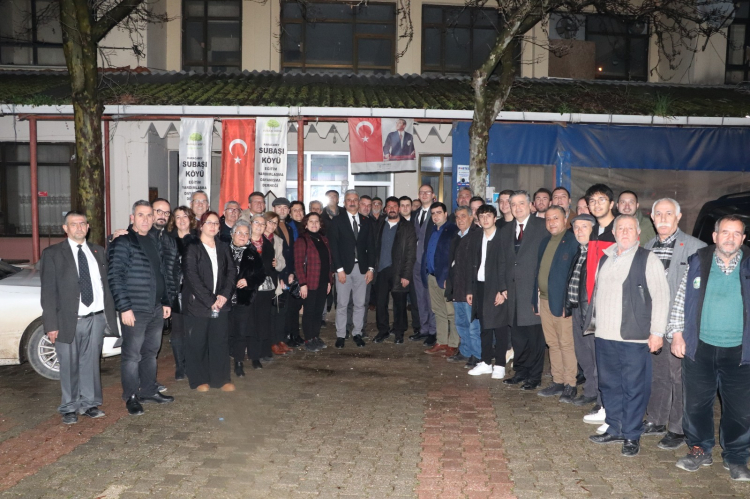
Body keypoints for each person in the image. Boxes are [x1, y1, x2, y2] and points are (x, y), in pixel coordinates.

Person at [668, 215, 750, 480]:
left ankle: (736, 457)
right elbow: (681, 300)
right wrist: (677, 334)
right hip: (700, 347)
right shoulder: (698, 261)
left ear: (743, 238)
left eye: (736, 233)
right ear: (715, 236)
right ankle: (699, 449)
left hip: (740, 352)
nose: (730, 238)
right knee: (695, 405)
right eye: (725, 232)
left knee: (740, 409)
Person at [585, 214, 669, 457]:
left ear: (638, 233)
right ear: (613, 232)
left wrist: (657, 332)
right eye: (620, 228)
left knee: (634, 389)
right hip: (604, 335)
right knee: (609, 385)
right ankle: (615, 428)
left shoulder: (647, 259)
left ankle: (631, 435)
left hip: (634, 338)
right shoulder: (605, 257)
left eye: (629, 228)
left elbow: (661, 297)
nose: (624, 232)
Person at [640, 198, 706, 450]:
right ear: (652, 218)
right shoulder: (647, 247)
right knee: (658, 375)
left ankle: (678, 429)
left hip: (681, 328)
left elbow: (697, 295)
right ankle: (656, 419)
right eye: (658, 214)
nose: (663, 218)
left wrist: (684, 331)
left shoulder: (696, 247)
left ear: (678, 217)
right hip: (653, 326)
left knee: (679, 378)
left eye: (669, 213)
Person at [40, 211, 117, 424]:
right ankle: (69, 407)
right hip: (68, 320)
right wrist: (51, 325)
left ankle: (89, 404)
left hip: (96, 318)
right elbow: (48, 292)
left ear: (88, 226)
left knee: (91, 364)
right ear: (65, 228)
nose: (79, 227)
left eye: (82, 223)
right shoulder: (53, 254)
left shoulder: (98, 251)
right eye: (73, 224)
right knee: (68, 365)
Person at [107, 200, 177, 415]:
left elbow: (161, 273)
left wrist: (165, 301)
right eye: (141, 215)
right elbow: (115, 276)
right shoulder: (123, 241)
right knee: (132, 356)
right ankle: (131, 396)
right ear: (132, 218)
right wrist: (124, 308)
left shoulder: (154, 241)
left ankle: (148, 390)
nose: (145, 219)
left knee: (150, 352)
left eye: (149, 215)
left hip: (155, 308)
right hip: (135, 310)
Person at [498, 191, 549, 391]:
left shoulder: (542, 226)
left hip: (533, 291)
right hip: (512, 291)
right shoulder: (506, 230)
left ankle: (534, 376)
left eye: (521, 203)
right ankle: (520, 372)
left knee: (534, 336)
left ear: (530, 206)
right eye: (513, 204)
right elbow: (503, 260)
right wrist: (503, 286)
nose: (517, 208)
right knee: (517, 336)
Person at [182, 211, 235, 392]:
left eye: (216, 223)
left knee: (219, 341)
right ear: (201, 225)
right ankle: (199, 379)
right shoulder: (192, 248)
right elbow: (192, 276)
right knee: (198, 342)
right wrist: (210, 300)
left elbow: (231, 272)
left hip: (221, 304)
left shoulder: (223, 247)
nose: (213, 226)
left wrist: (224, 295)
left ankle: (221, 379)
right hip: (198, 304)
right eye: (209, 223)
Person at [533, 206, 580, 401]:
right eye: (548, 219)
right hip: (544, 300)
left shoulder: (572, 241)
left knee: (566, 343)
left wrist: (567, 303)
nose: (551, 222)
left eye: (555, 218)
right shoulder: (545, 242)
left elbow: (573, 276)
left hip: (561, 303)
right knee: (552, 343)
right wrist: (535, 299)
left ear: (565, 218)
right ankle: (558, 381)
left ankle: (570, 384)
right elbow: (538, 272)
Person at [327, 190, 376, 348]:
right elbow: (334, 247)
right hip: (343, 270)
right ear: (344, 202)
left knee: (360, 304)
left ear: (359, 202)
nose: (352, 202)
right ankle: (341, 334)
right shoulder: (337, 221)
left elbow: (371, 246)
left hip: (362, 269)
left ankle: (357, 333)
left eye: (355, 199)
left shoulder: (366, 221)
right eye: (349, 200)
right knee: (342, 304)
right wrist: (339, 269)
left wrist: (371, 269)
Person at [466, 204, 508, 378]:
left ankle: (500, 364)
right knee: (484, 326)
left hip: (497, 286)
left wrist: (503, 290)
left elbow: (506, 265)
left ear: (495, 218)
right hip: (480, 285)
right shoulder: (477, 236)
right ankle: (485, 361)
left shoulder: (503, 237)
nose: (485, 219)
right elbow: (471, 263)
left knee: (500, 326)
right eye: (481, 216)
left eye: (488, 216)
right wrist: (470, 289)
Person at [564, 214, 600, 410]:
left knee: (594, 353)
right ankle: (590, 390)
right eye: (576, 227)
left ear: (593, 229)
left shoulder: (598, 253)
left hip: (591, 311)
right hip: (577, 308)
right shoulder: (579, 252)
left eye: (584, 227)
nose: (579, 231)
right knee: (582, 353)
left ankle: (599, 395)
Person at [233, 215, 277, 369]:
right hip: (245, 290)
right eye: (256, 222)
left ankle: (256, 355)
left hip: (264, 289)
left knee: (261, 322)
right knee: (248, 323)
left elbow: (269, 268)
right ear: (251, 224)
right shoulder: (244, 241)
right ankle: (241, 355)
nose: (259, 226)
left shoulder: (268, 245)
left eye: (263, 224)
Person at [373, 197, 416, 344]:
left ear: (398, 208)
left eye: (394, 206)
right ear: (385, 209)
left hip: (398, 271)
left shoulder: (407, 227)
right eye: (389, 206)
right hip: (381, 271)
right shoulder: (379, 224)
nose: (392, 209)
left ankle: (399, 332)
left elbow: (411, 252)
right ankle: (383, 330)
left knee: (399, 304)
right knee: (380, 304)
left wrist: (406, 275)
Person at [422, 202, 460, 356]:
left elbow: (454, 257)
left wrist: (449, 277)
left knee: (451, 312)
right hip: (432, 276)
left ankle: (453, 343)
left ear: (445, 214)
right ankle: (442, 341)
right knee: (438, 311)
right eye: (433, 213)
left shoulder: (452, 230)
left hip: (445, 278)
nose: (435, 216)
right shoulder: (432, 230)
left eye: (439, 212)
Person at [446, 206, 481, 367]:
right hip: (457, 288)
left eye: (463, 216)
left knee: (473, 325)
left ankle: (477, 354)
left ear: (471, 217)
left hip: (470, 289)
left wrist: (471, 289)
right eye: (457, 217)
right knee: (460, 323)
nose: (460, 220)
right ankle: (465, 351)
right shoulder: (457, 237)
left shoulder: (476, 236)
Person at [167, 206, 198, 380]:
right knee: (178, 330)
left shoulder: (198, 239)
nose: (181, 220)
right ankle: (180, 366)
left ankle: (193, 363)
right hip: (175, 290)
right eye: (177, 217)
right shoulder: (168, 240)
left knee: (194, 329)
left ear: (191, 219)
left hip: (195, 291)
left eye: (185, 216)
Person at [295, 213, 333, 352]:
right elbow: (298, 264)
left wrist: (329, 281)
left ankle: (315, 336)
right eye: (311, 221)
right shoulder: (302, 240)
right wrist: (302, 284)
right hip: (309, 282)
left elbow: (328, 262)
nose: (314, 224)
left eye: (316, 221)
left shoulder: (324, 240)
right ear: (306, 224)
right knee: (309, 312)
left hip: (322, 282)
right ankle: (308, 339)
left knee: (318, 311)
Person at [410, 184, 437, 345]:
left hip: (430, 263)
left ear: (433, 195)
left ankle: (433, 332)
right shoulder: (415, 214)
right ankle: (424, 329)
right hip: (416, 262)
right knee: (420, 297)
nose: (424, 194)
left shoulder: (437, 213)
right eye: (422, 192)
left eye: (427, 192)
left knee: (431, 298)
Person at [263, 211, 290, 356]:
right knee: (267, 313)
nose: (273, 225)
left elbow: (282, 261)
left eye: (275, 223)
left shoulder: (278, 240)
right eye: (270, 222)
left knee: (277, 311)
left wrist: (277, 264)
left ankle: (278, 340)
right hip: (261, 279)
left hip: (274, 277)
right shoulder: (257, 237)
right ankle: (270, 342)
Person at [227, 220, 251, 377]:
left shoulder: (253, 253)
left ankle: (239, 363)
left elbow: (260, 274)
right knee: (226, 331)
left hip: (243, 298)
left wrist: (249, 280)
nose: (243, 236)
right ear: (232, 234)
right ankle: (223, 361)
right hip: (225, 298)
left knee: (241, 332)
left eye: (246, 233)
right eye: (239, 232)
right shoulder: (223, 250)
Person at [399, 195, 421, 335]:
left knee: (415, 299)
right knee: (400, 300)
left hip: (415, 265)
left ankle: (417, 326)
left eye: (408, 205)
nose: (405, 208)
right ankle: (400, 326)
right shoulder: (395, 221)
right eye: (402, 205)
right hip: (398, 267)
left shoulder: (416, 221)